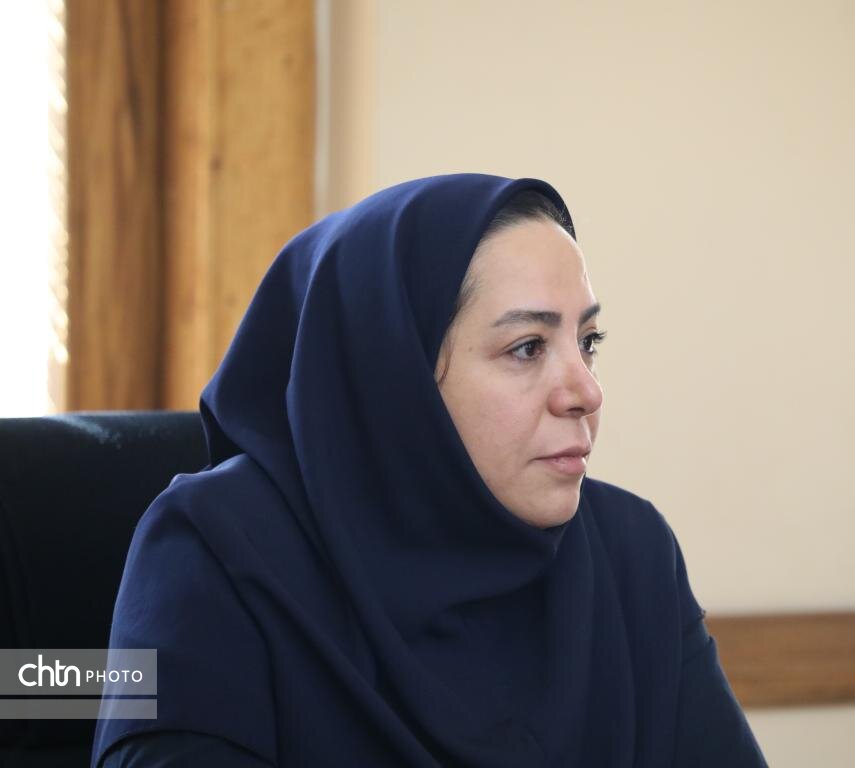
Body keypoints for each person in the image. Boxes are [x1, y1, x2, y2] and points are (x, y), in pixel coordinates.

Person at [90, 174, 768, 767]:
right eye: (528, 347)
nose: (586, 391)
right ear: (397, 377)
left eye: (587, 341)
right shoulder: (213, 549)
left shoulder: (632, 551)